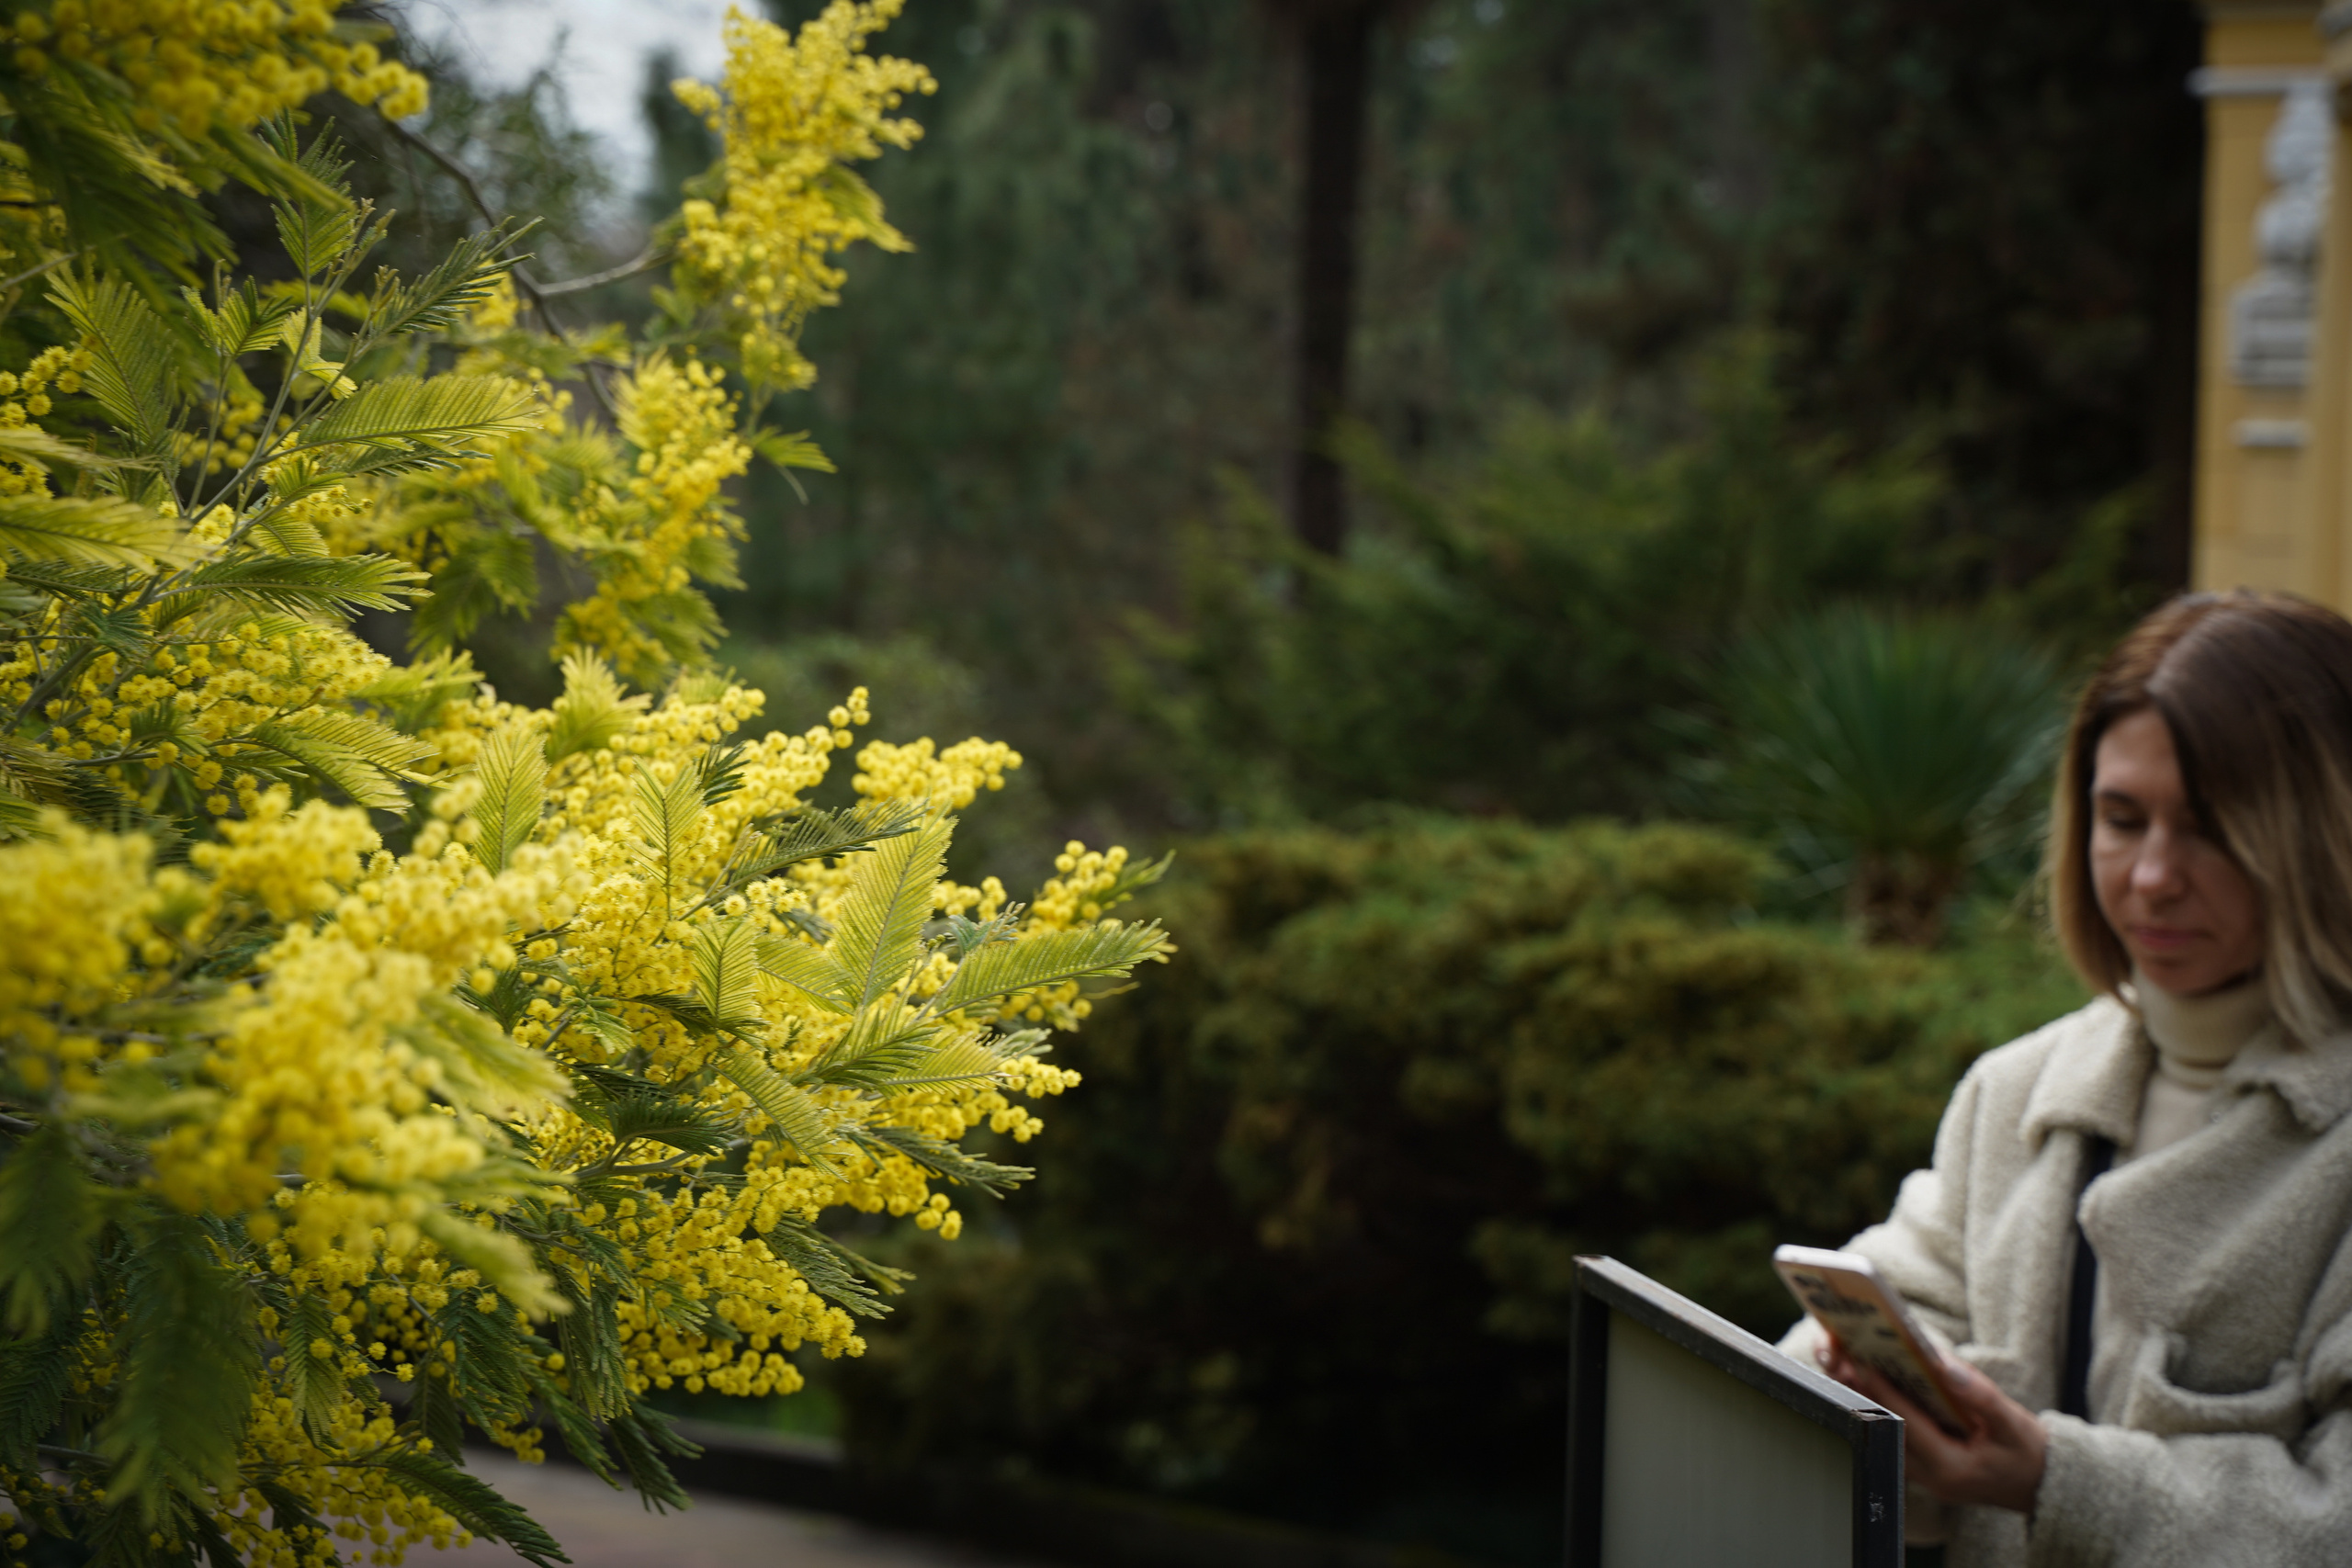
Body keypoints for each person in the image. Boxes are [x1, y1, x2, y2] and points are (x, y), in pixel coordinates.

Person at [1778, 590, 2352, 1567]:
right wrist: (1830, 1398)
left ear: (2322, 832)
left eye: (2209, 829)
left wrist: (2052, 1476)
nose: (2152, 877)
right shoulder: (2015, 1093)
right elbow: (1879, 1318)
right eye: (2120, 819)